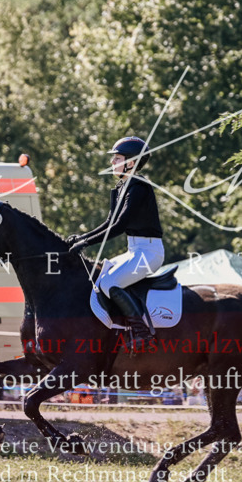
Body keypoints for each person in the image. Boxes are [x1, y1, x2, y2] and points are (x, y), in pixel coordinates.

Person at [68, 136, 164, 351]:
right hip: (135, 250)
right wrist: (82, 238)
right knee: (101, 277)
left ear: (131, 162)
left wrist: (86, 243)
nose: (112, 163)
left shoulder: (139, 187)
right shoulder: (123, 187)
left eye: (117, 158)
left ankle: (142, 333)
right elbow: (109, 223)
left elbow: (120, 225)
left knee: (110, 283)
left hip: (150, 252)